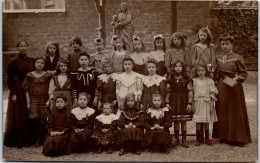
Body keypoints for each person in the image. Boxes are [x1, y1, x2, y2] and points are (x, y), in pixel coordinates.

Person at [212, 33, 251, 145]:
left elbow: (244, 73)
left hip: (233, 86)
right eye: (223, 44)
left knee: (234, 110)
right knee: (222, 109)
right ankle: (223, 136)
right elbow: (216, 73)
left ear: (232, 44)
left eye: (227, 44)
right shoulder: (217, 57)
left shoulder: (237, 57)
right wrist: (215, 83)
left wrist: (235, 79)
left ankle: (236, 137)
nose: (224, 46)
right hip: (222, 86)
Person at [4, 41, 35, 148]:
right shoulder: (14, 61)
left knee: (29, 112)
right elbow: (10, 79)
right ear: (18, 48)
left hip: (30, 87)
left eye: (25, 46)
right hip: (19, 89)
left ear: (27, 47)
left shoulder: (31, 60)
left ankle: (30, 139)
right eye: (21, 46)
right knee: (19, 114)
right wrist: (13, 93)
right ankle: (19, 140)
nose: (23, 48)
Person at [22, 57, 52, 147]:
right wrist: (28, 102)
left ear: (44, 64)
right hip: (33, 100)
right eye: (38, 62)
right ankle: (37, 140)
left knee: (44, 120)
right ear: (34, 64)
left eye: (42, 63)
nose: (39, 64)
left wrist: (49, 100)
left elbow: (51, 88)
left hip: (44, 99)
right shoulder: (30, 75)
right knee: (35, 120)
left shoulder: (47, 75)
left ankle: (44, 139)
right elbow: (26, 90)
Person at [167, 61, 193, 148]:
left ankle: (184, 139)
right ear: (173, 68)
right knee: (176, 121)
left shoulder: (186, 78)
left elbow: (190, 91)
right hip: (174, 101)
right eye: (176, 66)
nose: (178, 68)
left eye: (180, 66)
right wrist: (167, 101)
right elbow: (168, 91)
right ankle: (176, 138)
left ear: (183, 68)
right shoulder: (171, 78)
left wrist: (189, 103)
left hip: (183, 101)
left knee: (183, 121)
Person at [191, 64, 218, 146]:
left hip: (207, 102)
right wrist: (192, 103)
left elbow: (213, 92)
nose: (201, 72)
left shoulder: (209, 81)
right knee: (198, 120)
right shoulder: (194, 81)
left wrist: (211, 103)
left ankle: (207, 138)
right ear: (196, 71)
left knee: (206, 120)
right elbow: (191, 93)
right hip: (197, 102)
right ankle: (198, 138)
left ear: (206, 71)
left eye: (203, 70)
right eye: (199, 71)